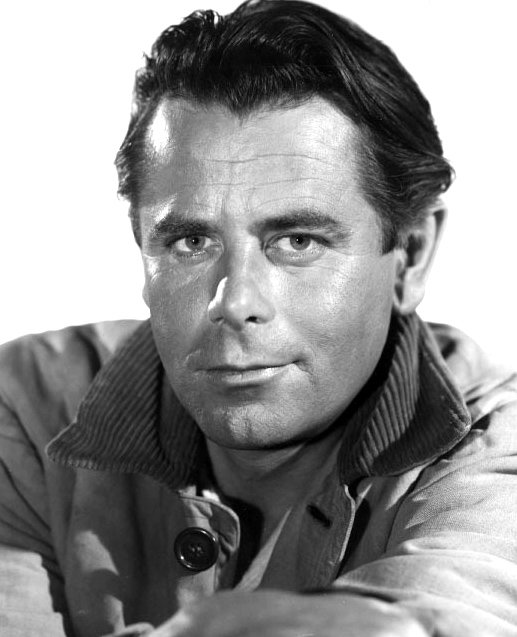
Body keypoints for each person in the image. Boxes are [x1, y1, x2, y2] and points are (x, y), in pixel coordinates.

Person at [0, 0, 516, 635]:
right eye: (191, 242)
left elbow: (454, 610)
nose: (234, 300)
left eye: (297, 241)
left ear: (410, 255)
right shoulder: (28, 406)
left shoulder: (497, 451)